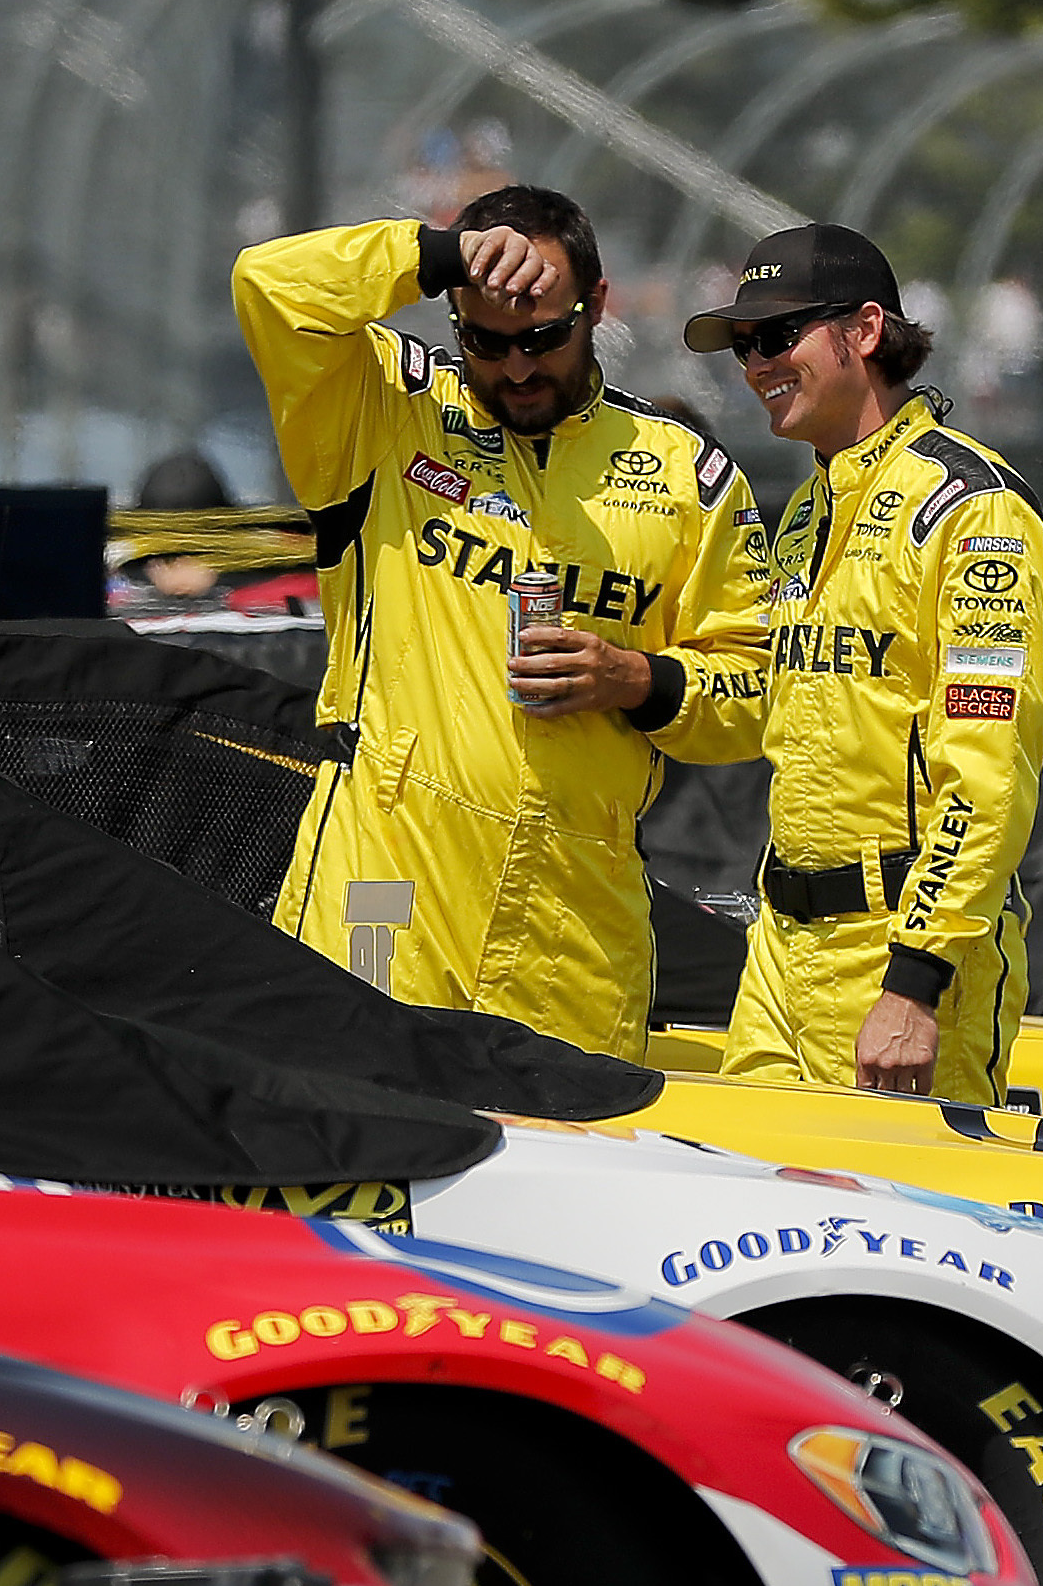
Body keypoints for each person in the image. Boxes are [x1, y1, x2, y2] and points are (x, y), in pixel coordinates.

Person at [232, 187, 771, 1056]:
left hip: (576, 916)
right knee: (369, 1137)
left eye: (542, 337)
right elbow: (269, 286)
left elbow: (757, 691)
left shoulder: (685, 474)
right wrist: (438, 253)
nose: (516, 368)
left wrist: (636, 679)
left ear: (596, 306)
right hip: (382, 883)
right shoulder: (385, 408)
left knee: (567, 1177)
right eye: (483, 341)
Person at [689, 223, 1043, 1103]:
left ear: (863, 332)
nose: (755, 365)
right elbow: (770, 718)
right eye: (744, 345)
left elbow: (987, 774)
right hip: (780, 954)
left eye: (777, 336)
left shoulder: (973, 512)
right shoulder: (806, 513)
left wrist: (914, 983)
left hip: (901, 960)